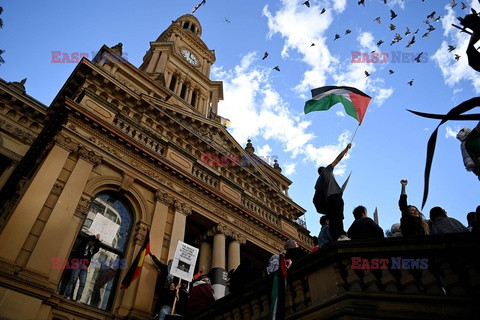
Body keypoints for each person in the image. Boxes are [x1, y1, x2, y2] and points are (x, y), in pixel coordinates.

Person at [313, 143, 352, 240]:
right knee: (339, 217)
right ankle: (342, 236)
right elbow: (338, 159)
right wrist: (346, 149)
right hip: (335, 198)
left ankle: (335, 237)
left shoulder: (318, 183)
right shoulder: (327, 171)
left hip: (328, 203)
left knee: (333, 220)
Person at [64, 234, 101, 301]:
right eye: (92, 242)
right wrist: (93, 237)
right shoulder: (83, 245)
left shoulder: (91, 250)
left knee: (82, 283)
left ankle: (78, 299)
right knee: (73, 280)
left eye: (93, 243)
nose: (93, 244)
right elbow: (85, 240)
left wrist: (97, 240)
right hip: (77, 263)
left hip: (85, 266)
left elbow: (97, 249)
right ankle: (67, 295)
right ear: (89, 241)